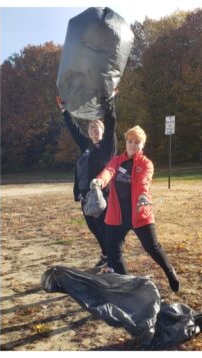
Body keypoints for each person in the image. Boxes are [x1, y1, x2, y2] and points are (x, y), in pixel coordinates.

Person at [91, 126, 180, 292]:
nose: (132, 145)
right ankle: (128, 288)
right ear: (126, 142)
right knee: (113, 253)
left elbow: (143, 182)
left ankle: (170, 272)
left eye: (137, 142)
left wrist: (143, 197)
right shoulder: (117, 161)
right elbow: (108, 171)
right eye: (130, 141)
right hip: (117, 215)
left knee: (152, 248)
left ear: (142, 145)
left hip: (139, 212)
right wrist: (99, 181)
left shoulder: (146, 164)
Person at [57, 93, 117, 269]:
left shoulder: (107, 147)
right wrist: (64, 110)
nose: (93, 129)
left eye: (96, 127)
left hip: (101, 196)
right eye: (91, 127)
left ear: (103, 131)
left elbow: (112, 122)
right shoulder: (87, 146)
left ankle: (113, 263)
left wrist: (110, 101)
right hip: (85, 196)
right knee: (94, 229)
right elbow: (74, 129)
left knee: (105, 229)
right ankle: (106, 256)